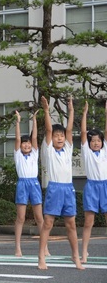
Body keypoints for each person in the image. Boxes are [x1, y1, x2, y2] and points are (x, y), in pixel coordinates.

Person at [38, 96, 84, 270]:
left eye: (61, 136)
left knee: (71, 223)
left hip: (68, 189)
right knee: (48, 222)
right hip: (55, 188)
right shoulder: (48, 150)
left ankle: (75, 256)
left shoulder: (67, 149)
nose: (59, 138)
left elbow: (70, 130)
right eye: (57, 136)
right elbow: (49, 131)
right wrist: (46, 111)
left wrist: (71, 110)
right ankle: (41, 256)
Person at [13, 109, 49, 257]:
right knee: (20, 218)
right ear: (20, 146)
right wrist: (18, 122)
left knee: (39, 217)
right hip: (22, 184)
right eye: (24, 144)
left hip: (34, 184)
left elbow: (35, 138)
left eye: (28, 143)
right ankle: (17, 248)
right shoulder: (18, 155)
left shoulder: (34, 153)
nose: (27, 145)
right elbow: (16, 139)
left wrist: (34, 120)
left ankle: (44, 247)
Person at [80, 101, 107, 263]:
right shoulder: (87, 152)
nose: (96, 143)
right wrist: (84, 113)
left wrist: (105, 113)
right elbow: (83, 132)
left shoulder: (104, 150)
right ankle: (84, 253)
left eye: (99, 140)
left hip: (105, 185)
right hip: (91, 186)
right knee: (89, 222)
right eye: (93, 140)